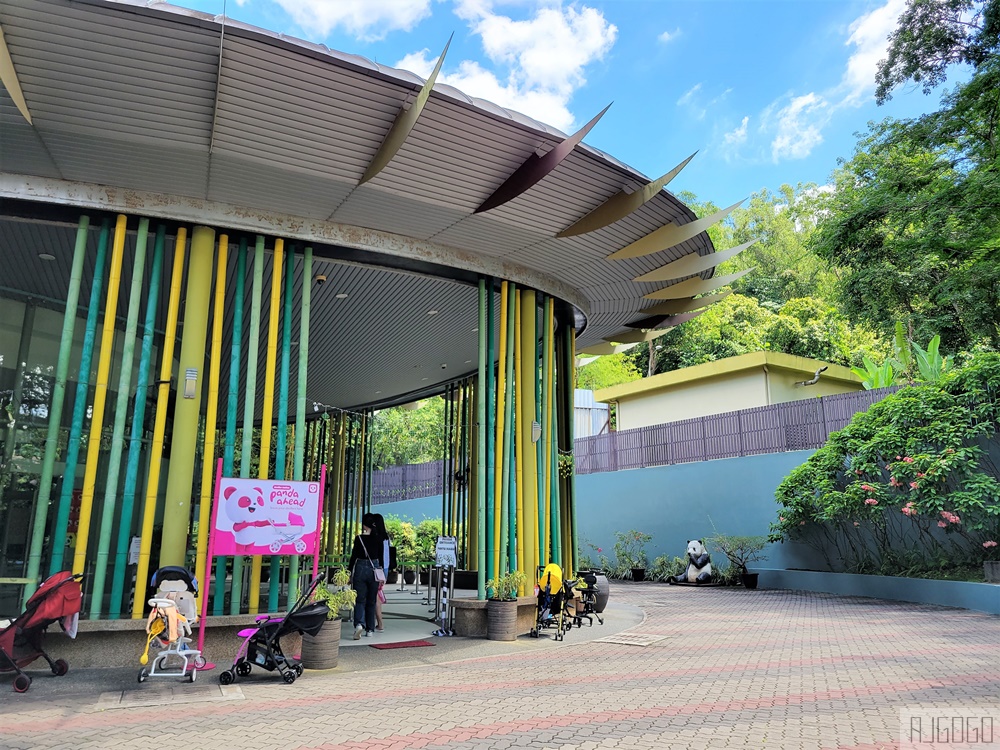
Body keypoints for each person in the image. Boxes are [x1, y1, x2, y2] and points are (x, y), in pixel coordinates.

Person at [347, 514, 383, 639]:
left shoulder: (359, 539)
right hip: (374, 569)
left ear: (364, 525)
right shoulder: (378, 539)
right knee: (371, 600)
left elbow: (353, 557)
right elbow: (381, 558)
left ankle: (359, 625)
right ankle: (370, 629)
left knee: (360, 600)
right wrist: (382, 575)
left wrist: (349, 572)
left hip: (360, 569)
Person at [371, 514, 391, 632]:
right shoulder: (386, 537)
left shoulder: (376, 537)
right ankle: (378, 623)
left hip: (377, 568)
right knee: (377, 595)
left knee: (375, 598)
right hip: (384, 569)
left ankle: (380, 623)